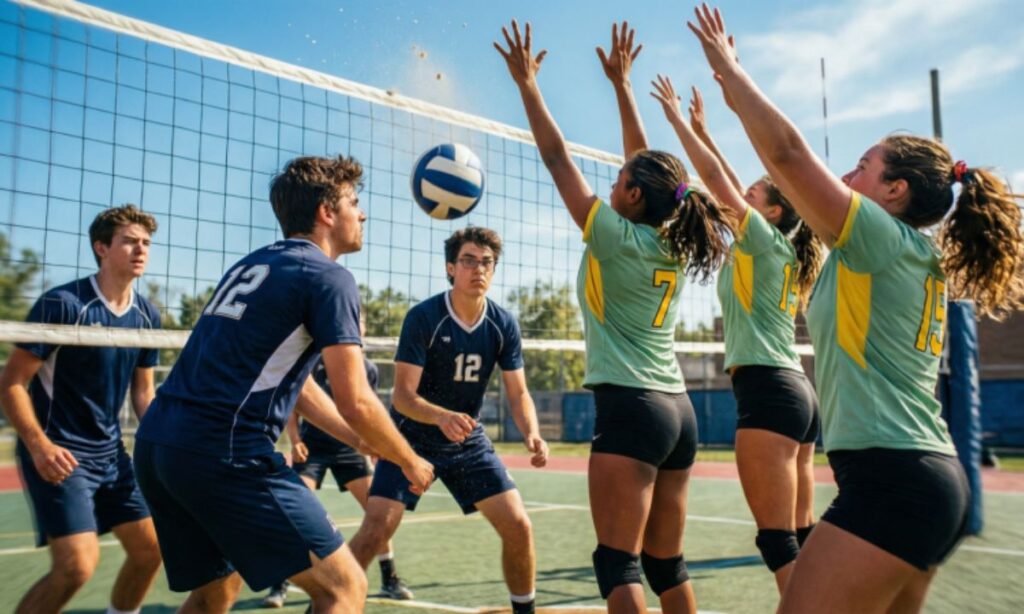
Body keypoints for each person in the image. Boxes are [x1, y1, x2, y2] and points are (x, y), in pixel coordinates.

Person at [688, 5, 1024, 612]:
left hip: (895, 482)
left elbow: (788, 155)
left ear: (894, 191)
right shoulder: (900, 253)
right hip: (917, 475)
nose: (846, 173)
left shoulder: (879, 239)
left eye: (863, 167)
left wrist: (732, 72)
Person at [496, 21, 732, 613]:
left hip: (630, 406)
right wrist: (622, 87)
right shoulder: (672, 237)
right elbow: (645, 164)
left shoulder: (614, 237)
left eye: (621, 179)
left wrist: (527, 85)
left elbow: (554, 157)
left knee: (617, 562)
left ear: (630, 198)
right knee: (664, 562)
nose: (614, 178)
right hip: (678, 411)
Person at [132, 155, 434, 614]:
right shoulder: (331, 278)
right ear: (326, 213)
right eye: (355, 202)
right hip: (224, 451)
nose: (364, 213)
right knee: (344, 589)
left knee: (217, 589)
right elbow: (355, 399)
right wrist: (408, 458)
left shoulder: (254, 264)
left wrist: (358, 440)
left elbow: (296, 383)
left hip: (158, 446)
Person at [650, 76, 822, 592]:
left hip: (769, 392)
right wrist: (704, 127)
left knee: (777, 542)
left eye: (754, 193)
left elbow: (711, 176)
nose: (740, 194)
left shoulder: (763, 240)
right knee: (800, 533)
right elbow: (722, 174)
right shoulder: (774, 245)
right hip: (797, 393)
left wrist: (677, 121)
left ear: (771, 212)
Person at [349, 227, 550, 614]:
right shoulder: (424, 317)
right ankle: (327, 604)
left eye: (487, 262)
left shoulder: (502, 324)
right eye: (469, 260)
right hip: (409, 439)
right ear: (450, 268)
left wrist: (533, 433)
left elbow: (518, 392)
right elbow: (403, 397)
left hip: (466, 442)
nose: (479, 269)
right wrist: (440, 416)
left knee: (519, 526)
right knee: (375, 531)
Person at [0, 205, 164, 614]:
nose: (140, 249)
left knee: (151, 551)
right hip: (60, 454)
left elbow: (143, 394)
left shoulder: (147, 315)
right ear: (101, 247)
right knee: (76, 565)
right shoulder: (64, 304)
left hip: (111, 455)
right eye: (129, 241)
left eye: (145, 242)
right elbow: (11, 383)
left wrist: (170, 441)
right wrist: (39, 446)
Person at [262, 314, 413, 609]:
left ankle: (390, 578)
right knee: (292, 513)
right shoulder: (317, 360)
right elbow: (296, 400)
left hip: (350, 450)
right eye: (352, 322)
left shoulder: (367, 368)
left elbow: (365, 409)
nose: (356, 328)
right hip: (314, 447)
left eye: (362, 324)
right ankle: (278, 584)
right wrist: (295, 439)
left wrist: (375, 444)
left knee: (377, 512)